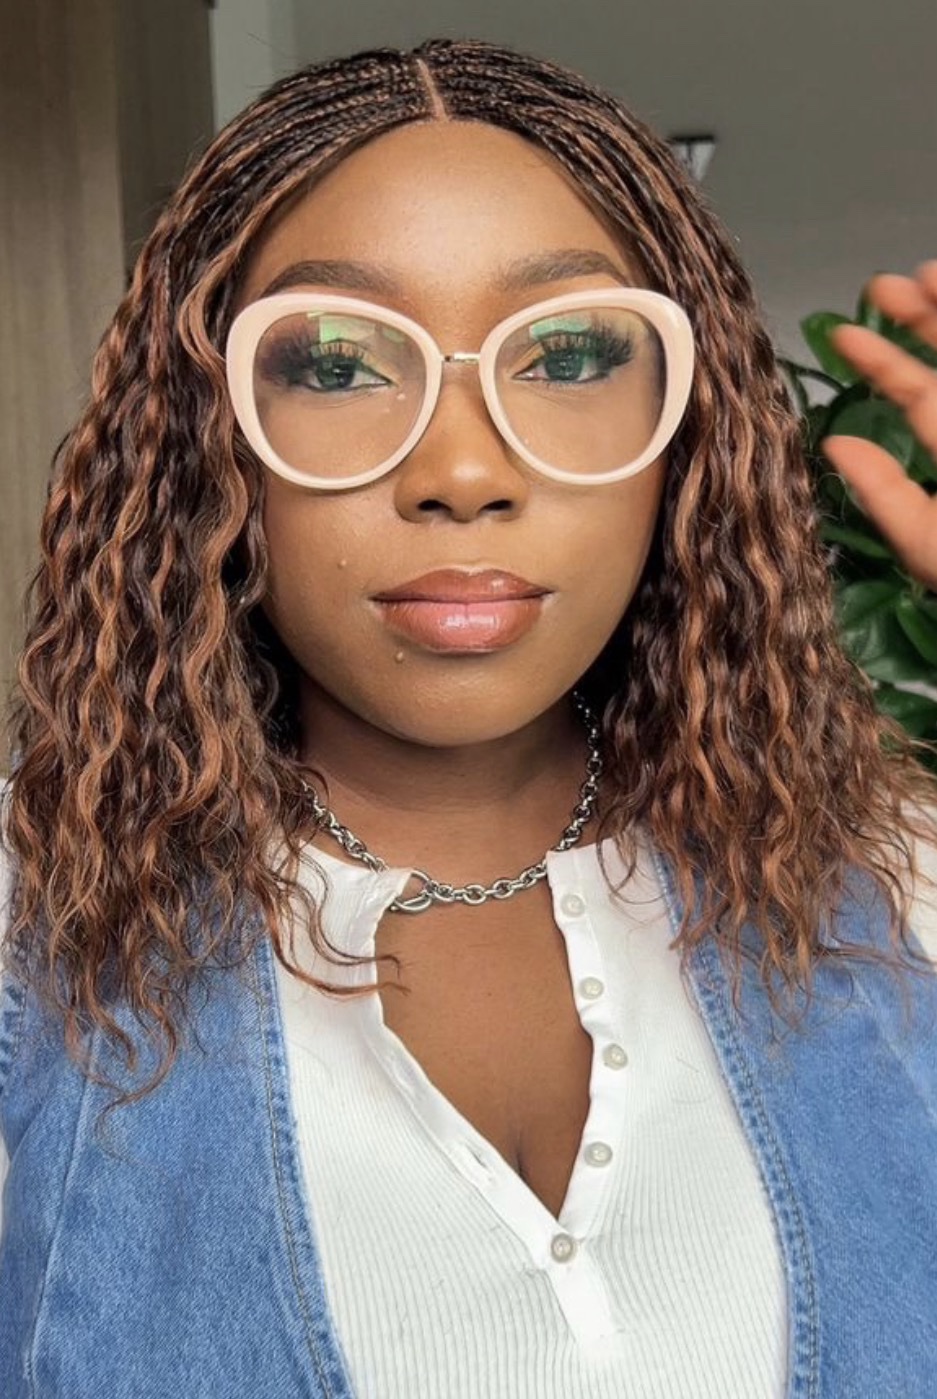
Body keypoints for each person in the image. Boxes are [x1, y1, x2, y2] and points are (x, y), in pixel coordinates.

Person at [1, 37, 936, 1399]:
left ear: (689, 439)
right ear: (208, 439)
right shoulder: (31, 923)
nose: (460, 469)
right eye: (335, 363)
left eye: (567, 353)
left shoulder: (900, 886)